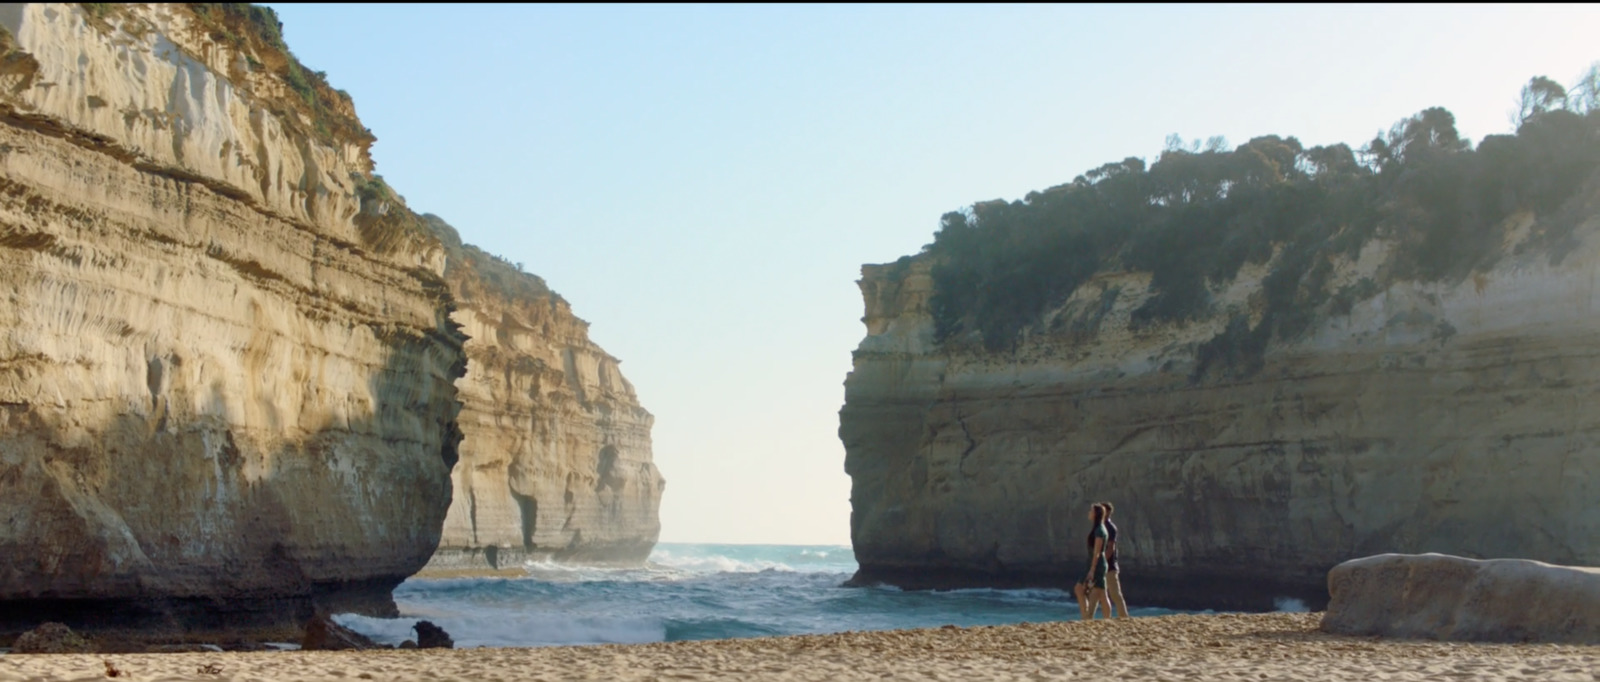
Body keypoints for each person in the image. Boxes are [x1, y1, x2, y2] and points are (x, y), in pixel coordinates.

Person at [1074, 503, 1114, 620]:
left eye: (1091, 511)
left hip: (1097, 564)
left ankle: (1103, 619)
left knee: (1100, 593)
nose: (1089, 513)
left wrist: (1092, 569)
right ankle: (1086, 616)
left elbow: (1097, 551)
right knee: (1082, 589)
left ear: (1096, 514)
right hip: (1093, 563)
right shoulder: (1097, 528)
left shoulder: (1100, 530)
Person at [1101, 501, 1129, 618]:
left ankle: (1123, 616)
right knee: (1099, 592)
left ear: (1107, 512)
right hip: (1105, 564)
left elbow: (1110, 547)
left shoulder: (1110, 527)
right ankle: (1104, 616)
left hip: (1110, 566)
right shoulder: (1102, 526)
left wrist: (1103, 561)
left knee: (1115, 593)